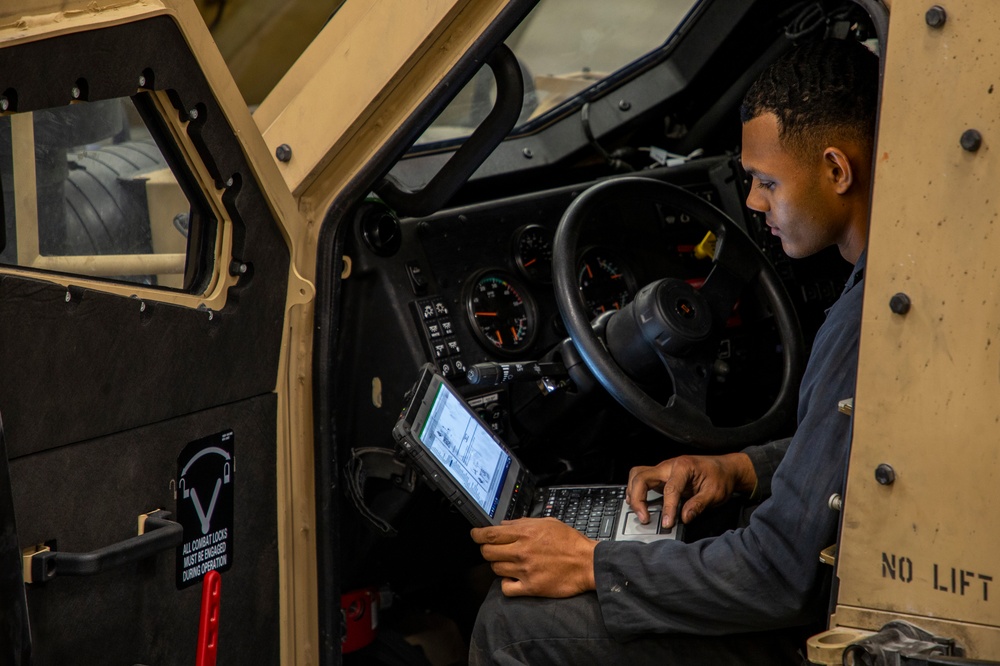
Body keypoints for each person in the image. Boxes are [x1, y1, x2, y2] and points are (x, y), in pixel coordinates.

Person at [468, 37, 879, 664]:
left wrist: (591, 562)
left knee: (511, 621)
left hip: (829, 620)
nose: (752, 202)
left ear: (836, 170)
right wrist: (740, 468)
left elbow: (774, 575)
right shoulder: (887, 280)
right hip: (831, 578)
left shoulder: (866, 320)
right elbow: (859, 447)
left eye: (767, 182)